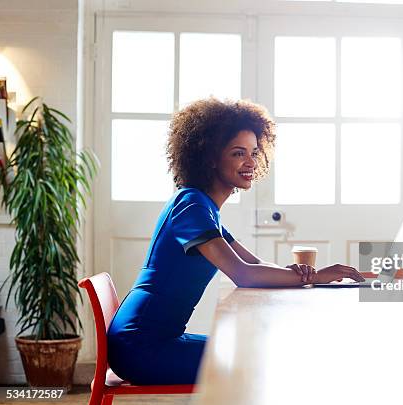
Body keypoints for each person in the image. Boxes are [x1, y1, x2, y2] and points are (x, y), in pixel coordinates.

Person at [107, 98, 365, 385]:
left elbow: (253, 263)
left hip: (154, 338)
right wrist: (315, 276)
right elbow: (243, 274)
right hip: (140, 347)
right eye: (238, 153)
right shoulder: (190, 206)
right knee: (257, 360)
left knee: (256, 354)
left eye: (254, 152)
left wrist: (304, 275)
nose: (250, 162)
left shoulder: (205, 208)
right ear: (211, 157)